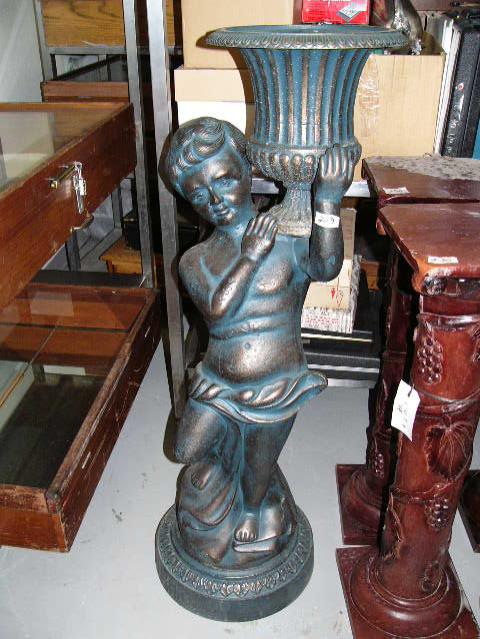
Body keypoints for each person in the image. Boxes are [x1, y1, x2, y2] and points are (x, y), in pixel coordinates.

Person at [166, 117, 347, 563]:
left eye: (224, 180)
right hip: (217, 382)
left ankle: (254, 509)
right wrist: (248, 257)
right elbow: (218, 309)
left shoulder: (285, 237)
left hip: (275, 385)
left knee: (257, 470)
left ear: (248, 171)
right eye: (198, 195)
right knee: (185, 449)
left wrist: (327, 202)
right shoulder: (195, 260)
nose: (215, 200)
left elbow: (325, 267)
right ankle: (228, 475)